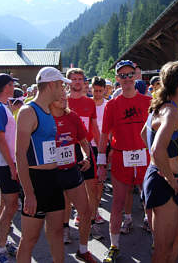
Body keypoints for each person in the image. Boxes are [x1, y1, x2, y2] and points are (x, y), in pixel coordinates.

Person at [97, 60, 151, 262]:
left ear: (136, 76)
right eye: (123, 75)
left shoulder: (148, 102)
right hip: (121, 157)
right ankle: (114, 245)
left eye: (130, 75)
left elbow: (155, 133)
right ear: (117, 79)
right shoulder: (112, 105)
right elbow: (104, 136)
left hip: (144, 158)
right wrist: (102, 164)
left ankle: (156, 240)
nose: (127, 79)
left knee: (150, 202)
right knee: (118, 203)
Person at [141, 60, 178, 262]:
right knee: (162, 247)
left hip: (168, 178)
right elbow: (156, 148)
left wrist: (159, 164)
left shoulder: (164, 108)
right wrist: (168, 176)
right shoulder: (170, 112)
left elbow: (144, 133)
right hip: (166, 183)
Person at [16, 67, 68, 263]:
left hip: (53, 179)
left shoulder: (48, 110)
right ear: (52, 84)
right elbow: (20, 154)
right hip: (36, 182)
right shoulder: (28, 111)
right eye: (61, 84)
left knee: (56, 232)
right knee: (29, 239)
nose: (63, 89)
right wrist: (28, 193)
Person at [50, 90, 96, 262]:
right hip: (51, 173)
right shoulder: (44, 118)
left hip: (71, 170)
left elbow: (84, 142)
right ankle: (58, 253)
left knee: (85, 211)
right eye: (59, 96)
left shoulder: (73, 117)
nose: (63, 99)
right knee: (56, 216)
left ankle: (83, 250)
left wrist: (86, 158)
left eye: (64, 96)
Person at [66, 68, 102, 240]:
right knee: (66, 192)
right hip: (66, 150)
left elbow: (94, 128)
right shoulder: (61, 101)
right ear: (68, 82)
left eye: (80, 79)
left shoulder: (89, 103)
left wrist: (102, 150)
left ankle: (91, 223)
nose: (78, 82)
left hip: (86, 149)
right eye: (74, 79)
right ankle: (65, 228)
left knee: (92, 189)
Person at [0, 73, 19, 263]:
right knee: (11, 205)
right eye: (11, 84)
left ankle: (3, 241)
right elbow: (0, 139)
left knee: (5, 205)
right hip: (4, 163)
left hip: (3, 162)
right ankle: (0, 251)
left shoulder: (1, 106)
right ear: (5, 87)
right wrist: (11, 165)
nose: (13, 87)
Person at [91, 76, 108, 225]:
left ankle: (95, 211)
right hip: (89, 146)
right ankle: (86, 212)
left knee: (100, 181)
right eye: (95, 91)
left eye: (100, 91)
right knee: (89, 182)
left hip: (103, 147)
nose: (97, 94)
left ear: (105, 91)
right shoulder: (87, 104)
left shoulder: (108, 105)